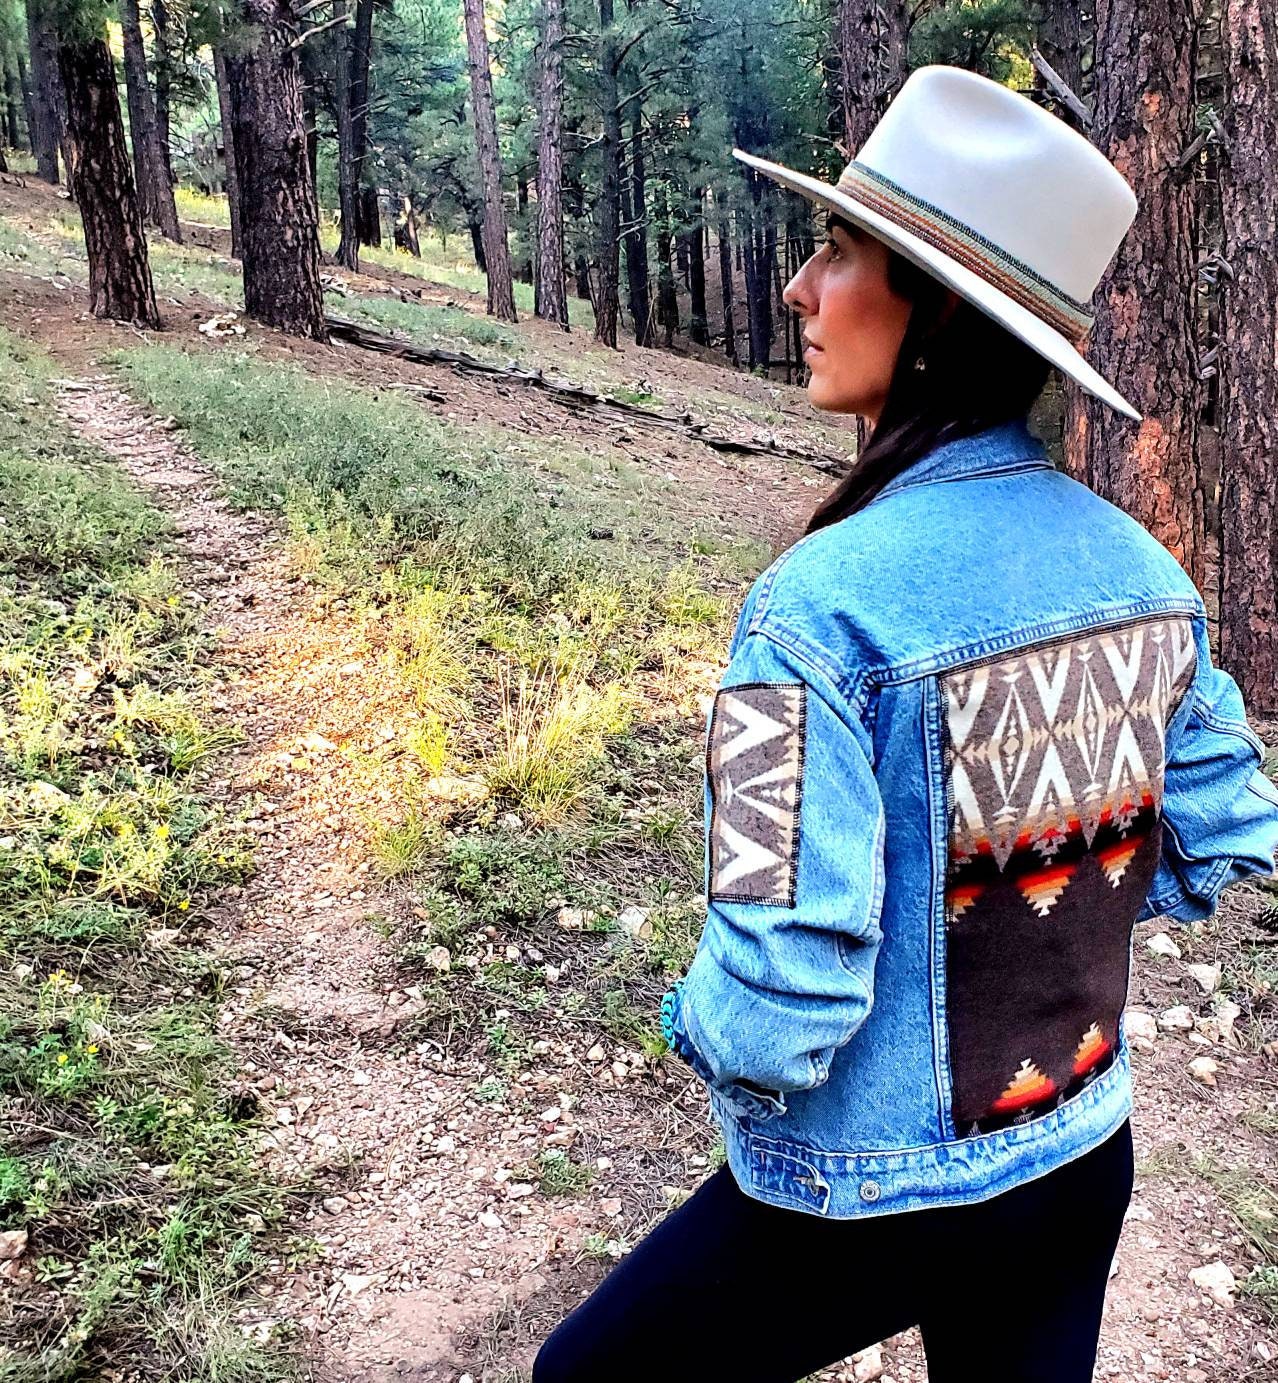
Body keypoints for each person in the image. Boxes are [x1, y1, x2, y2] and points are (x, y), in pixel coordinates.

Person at [533, 65, 1278, 1383]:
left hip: (871, 1204)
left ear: (929, 303)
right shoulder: (1146, 576)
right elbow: (1223, 831)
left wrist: (689, 1024)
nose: (795, 294)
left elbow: (779, 1003)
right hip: (1073, 1160)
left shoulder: (812, 614)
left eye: (833, 253)